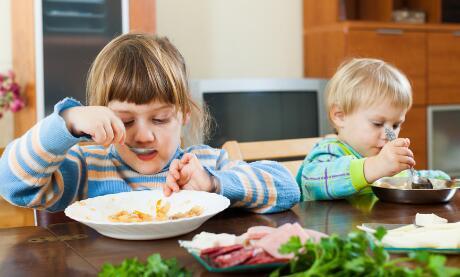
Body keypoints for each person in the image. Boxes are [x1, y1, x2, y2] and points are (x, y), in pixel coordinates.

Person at [0, 32, 300, 213]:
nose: (143, 135)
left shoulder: (205, 164)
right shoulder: (85, 169)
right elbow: (12, 184)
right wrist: (65, 121)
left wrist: (214, 183)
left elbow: (287, 188)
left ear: (182, 114)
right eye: (125, 120)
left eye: (160, 118)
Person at [297, 58, 449, 201]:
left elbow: (405, 179)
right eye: (377, 123)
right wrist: (375, 166)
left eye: (396, 125)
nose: (388, 135)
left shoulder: (385, 159)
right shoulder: (330, 151)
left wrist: (439, 180)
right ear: (340, 116)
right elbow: (312, 182)